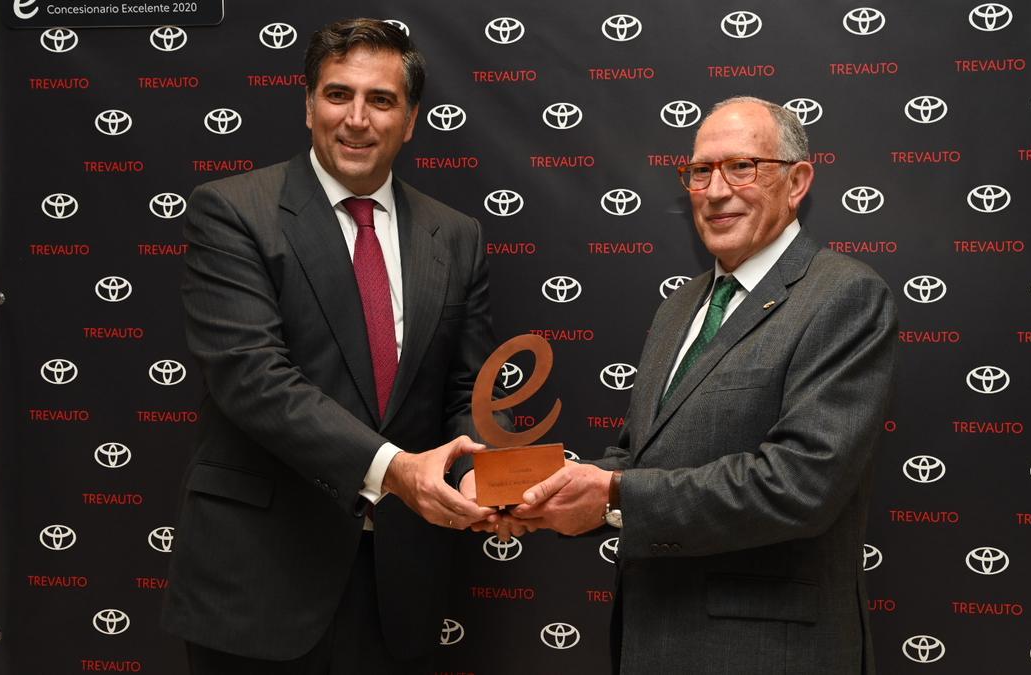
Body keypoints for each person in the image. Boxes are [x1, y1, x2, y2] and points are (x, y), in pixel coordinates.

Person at [493, 97, 897, 673]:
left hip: (768, 654)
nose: (715, 190)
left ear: (798, 180)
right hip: (651, 641)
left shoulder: (845, 296)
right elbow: (637, 459)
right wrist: (542, 496)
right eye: (700, 171)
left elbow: (800, 484)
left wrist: (612, 494)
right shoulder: (680, 306)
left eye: (742, 166)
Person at [161, 18, 504, 674]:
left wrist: (489, 480)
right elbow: (253, 380)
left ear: (409, 122)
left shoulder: (457, 236)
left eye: (381, 100)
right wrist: (399, 470)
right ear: (309, 104)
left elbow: (469, 393)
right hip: (260, 583)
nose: (357, 118)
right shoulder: (233, 211)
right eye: (338, 94)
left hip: (399, 590)